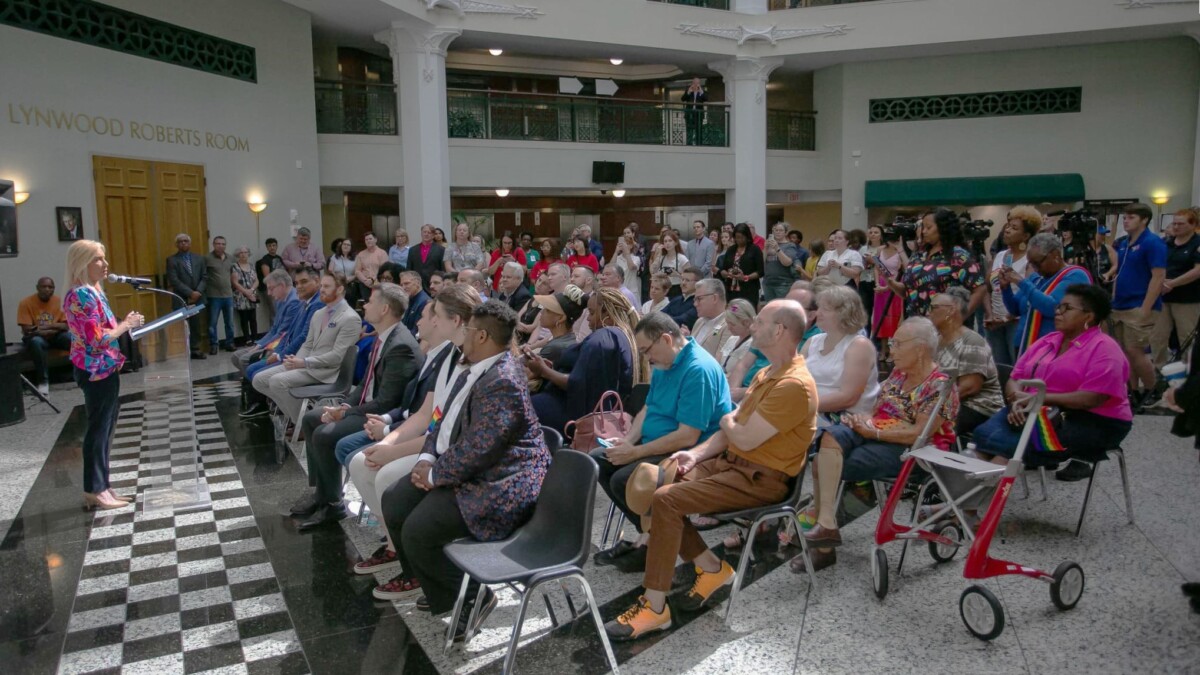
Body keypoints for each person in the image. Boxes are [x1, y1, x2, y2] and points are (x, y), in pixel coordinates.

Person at [604, 300, 816, 641]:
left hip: (761, 478)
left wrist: (729, 418)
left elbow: (742, 435)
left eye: (759, 322)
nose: (752, 326)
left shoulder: (793, 384)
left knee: (667, 499)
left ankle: (654, 607)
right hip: (731, 463)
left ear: (779, 331)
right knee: (655, 480)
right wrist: (695, 454)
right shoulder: (767, 374)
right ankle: (712, 568)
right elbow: (726, 432)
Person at [378, 302, 550, 636]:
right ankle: (436, 582)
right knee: (395, 500)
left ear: (483, 336)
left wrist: (434, 474)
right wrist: (427, 458)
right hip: (471, 469)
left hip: (503, 482)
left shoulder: (503, 380)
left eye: (468, 330)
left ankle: (473, 596)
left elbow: (481, 447)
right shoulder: (471, 367)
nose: (463, 336)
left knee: (419, 529)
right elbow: (442, 420)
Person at [803, 317, 958, 571]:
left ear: (919, 349)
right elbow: (877, 410)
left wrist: (872, 431)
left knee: (828, 461)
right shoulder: (898, 375)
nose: (891, 349)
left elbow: (918, 432)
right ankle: (827, 525)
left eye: (897, 344)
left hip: (912, 450)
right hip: (874, 431)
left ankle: (824, 539)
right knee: (830, 437)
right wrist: (862, 419)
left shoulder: (940, 386)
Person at [347, 287, 476, 585]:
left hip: (447, 451)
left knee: (385, 475)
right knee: (360, 462)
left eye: (432, 315)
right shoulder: (449, 357)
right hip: (434, 442)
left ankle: (415, 566)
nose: (419, 319)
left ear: (453, 321)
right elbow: (426, 414)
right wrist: (387, 442)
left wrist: (395, 451)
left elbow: (450, 430)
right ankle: (395, 546)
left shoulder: (466, 360)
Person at [591, 312, 732, 573]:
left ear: (666, 339)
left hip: (691, 452)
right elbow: (649, 408)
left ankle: (650, 543)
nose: (647, 358)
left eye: (646, 351)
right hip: (657, 443)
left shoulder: (698, 369)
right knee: (598, 460)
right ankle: (649, 536)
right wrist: (627, 442)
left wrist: (635, 452)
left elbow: (687, 435)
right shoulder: (664, 363)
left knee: (623, 478)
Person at [292, 283, 423, 530]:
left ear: (384, 309)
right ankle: (322, 493)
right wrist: (342, 405)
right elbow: (365, 384)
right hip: (367, 405)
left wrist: (344, 413)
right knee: (313, 418)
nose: (364, 306)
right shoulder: (384, 336)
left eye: (370, 302)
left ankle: (333, 505)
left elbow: (387, 401)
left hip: (383, 416)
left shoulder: (400, 345)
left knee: (324, 433)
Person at [973, 285, 1133, 483]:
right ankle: (960, 503)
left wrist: (1036, 399)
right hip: (1037, 409)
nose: (1057, 311)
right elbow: (1016, 377)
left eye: (1066, 308)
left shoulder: (1105, 349)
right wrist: (1017, 399)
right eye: (1058, 306)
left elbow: (1092, 398)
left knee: (1011, 446)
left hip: (1093, 420)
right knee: (984, 438)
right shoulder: (1048, 341)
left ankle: (965, 506)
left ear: (1088, 317)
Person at [63, 240, 145, 510]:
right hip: (94, 370)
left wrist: (124, 326)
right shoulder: (80, 295)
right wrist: (127, 324)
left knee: (107, 428)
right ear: (83, 263)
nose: (105, 264)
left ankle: (103, 485)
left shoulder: (95, 291)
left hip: (105, 368)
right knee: (99, 429)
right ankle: (94, 489)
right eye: (98, 259)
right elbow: (96, 340)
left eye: (104, 258)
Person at [529, 287, 643, 435]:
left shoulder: (603, 338)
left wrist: (544, 371)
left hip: (576, 415)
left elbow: (579, 383)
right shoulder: (622, 336)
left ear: (607, 314)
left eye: (592, 312)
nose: (588, 318)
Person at [252, 272, 360, 426]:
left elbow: (337, 356)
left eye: (327, 286)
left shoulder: (350, 318)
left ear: (340, 289)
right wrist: (294, 361)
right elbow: (308, 344)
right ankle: (301, 419)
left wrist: (304, 362)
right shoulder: (318, 313)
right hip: (307, 365)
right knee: (259, 380)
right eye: (321, 286)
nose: (322, 289)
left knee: (277, 381)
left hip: (327, 372)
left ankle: (303, 425)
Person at [240, 266, 323, 417]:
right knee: (254, 370)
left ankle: (297, 418)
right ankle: (288, 412)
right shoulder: (305, 301)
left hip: (301, 358)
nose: (299, 286)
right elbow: (288, 332)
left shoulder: (315, 303)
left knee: (257, 373)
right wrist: (277, 351)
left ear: (317, 281)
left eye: (304, 282)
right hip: (290, 353)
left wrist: (280, 355)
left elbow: (303, 337)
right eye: (297, 283)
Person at [1001, 233, 1092, 358]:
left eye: (1038, 263)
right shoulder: (1036, 279)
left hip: (1051, 349)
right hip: (1024, 346)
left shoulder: (1075, 275)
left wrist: (1022, 282)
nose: (1035, 268)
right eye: (1031, 264)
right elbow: (1015, 309)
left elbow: (1054, 307)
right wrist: (1005, 288)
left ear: (1055, 255)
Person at [800, 285, 880, 428]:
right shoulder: (813, 341)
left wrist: (801, 406)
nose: (819, 313)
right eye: (819, 307)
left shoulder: (859, 346)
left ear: (844, 313)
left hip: (842, 418)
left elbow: (848, 398)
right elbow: (795, 377)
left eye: (826, 309)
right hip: (809, 410)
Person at [931, 288, 1004, 437]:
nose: (928, 313)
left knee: (927, 423)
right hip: (949, 401)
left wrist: (930, 401)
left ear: (952, 310)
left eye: (934, 308)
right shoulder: (937, 340)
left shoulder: (971, 341)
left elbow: (970, 387)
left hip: (978, 406)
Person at [887, 208, 986, 318]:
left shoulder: (957, 256)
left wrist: (960, 317)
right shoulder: (919, 255)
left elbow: (980, 289)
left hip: (944, 326)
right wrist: (891, 283)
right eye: (923, 227)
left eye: (929, 227)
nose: (924, 231)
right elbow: (910, 291)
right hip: (917, 324)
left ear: (943, 229)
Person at [985, 207, 1040, 367]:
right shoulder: (1000, 255)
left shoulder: (1030, 259)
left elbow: (1029, 291)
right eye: (1008, 225)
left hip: (1016, 322)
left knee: (1016, 366)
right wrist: (989, 314)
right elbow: (985, 287)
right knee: (999, 367)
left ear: (1026, 236)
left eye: (1014, 228)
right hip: (995, 322)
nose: (1007, 230)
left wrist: (1006, 318)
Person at [1152, 207, 1200, 368]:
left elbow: (1197, 271)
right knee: (1157, 336)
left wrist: (1172, 283)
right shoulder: (1167, 243)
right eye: (1175, 223)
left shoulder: (1196, 243)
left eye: (1181, 224)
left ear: (1193, 225)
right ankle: (1158, 372)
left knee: (1186, 338)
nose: (1177, 227)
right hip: (1163, 297)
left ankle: (1189, 373)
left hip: (1187, 299)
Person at [231, 269, 296, 380]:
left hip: (281, 344)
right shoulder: (281, 300)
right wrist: (259, 344)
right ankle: (250, 385)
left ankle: (255, 390)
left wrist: (262, 346)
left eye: (271, 288)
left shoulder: (294, 302)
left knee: (244, 359)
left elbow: (282, 333)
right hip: (273, 341)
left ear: (282, 285)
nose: (269, 293)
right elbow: (274, 328)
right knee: (235, 356)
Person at [18, 276, 71, 395]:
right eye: (44, 286)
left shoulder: (60, 302)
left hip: (55, 335)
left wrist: (43, 328)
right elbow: (27, 329)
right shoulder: (26, 303)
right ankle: (43, 382)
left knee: (74, 339)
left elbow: (66, 326)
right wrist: (54, 326)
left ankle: (85, 373)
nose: (47, 289)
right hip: (37, 337)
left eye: (50, 287)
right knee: (36, 342)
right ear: (37, 288)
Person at [165, 232, 208, 360]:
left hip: (198, 297)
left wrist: (198, 292)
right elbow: (174, 280)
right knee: (182, 325)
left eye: (186, 241)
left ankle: (196, 349)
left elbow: (205, 277)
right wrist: (190, 293)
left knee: (196, 324)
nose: (183, 243)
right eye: (180, 241)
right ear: (176, 245)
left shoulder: (199, 258)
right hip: (181, 297)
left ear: (190, 243)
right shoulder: (172, 260)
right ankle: (183, 350)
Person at [871, 228, 906, 360]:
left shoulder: (900, 251)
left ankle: (893, 350)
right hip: (881, 283)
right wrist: (877, 284)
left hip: (894, 284)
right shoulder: (880, 250)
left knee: (892, 317)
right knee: (880, 317)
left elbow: (901, 271)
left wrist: (888, 287)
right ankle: (883, 349)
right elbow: (876, 267)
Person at [532, 284, 585, 367]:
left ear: (561, 318)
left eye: (548, 310)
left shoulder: (555, 347)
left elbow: (525, 373)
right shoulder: (567, 339)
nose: (541, 312)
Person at [204, 235, 236, 354]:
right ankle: (213, 345)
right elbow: (204, 275)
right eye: (218, 244)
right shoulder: (207, 258)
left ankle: (230, 343)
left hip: (228, 295)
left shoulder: (230, 258)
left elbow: (233, 275)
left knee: (230, 323)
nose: (220, 246)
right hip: (214, 296)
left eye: (223, 244)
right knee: (212, 323)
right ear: (213, 245)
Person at [718, 223, 764, 305]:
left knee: (746, 312)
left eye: (741, 237)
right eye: (736, 237)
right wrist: (725, 273)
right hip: (732, 290)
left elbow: (760, 271)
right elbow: (724, 268)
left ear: (747, 236)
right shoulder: (731, 250)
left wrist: (745, 277)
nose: (738, 240)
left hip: (749, 290)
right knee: (734, 311)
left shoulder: (755, 250)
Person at [690, 279, 731, 358]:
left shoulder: (729, 325)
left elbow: (720, 362)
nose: (695, 304)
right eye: (695, 300)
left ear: (714, 298)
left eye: (699, 299)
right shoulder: (699, 321)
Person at [763, 222, 803, 301]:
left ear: (785, 232)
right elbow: (762, 261)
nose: (778, 232)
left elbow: (787, 263)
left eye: (781, 230)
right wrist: (765, 248)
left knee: (782, 309)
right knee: (770, 308)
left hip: (783, 283)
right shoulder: (769, 244)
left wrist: (777, 248)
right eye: (776, 230)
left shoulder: (790, 245)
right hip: (768, 282)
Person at [231, 246, 259, 344]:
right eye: (241, 252)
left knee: (253, 318)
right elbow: (235, 282)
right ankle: (247, 339)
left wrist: (251, 290)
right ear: (238, 254)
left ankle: (255, 338)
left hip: (252, 295)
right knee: (244, 318)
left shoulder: (251, 265)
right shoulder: (235, 266)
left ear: (248, 254)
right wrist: (245, 292)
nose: (243, 254)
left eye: (245, 252)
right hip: (240, 295)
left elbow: (256, 280)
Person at [649, 230, 688, 297]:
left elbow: (690, 277)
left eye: (670, 241)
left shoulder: (682, 258)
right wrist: (658, 254)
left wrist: (677, 274)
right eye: (665, 241)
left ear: (675, 243)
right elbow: (652, 271)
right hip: (662, 289)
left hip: (676, 289)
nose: (667, 243)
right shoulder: (661, 258)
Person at [353, 232, 389, 304]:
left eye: (370, 239)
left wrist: (373, 280)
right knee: (367, 305)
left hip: (378, 284)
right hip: (365, 285)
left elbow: (384, 270)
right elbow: (357, 271)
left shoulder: (382, 253)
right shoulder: (361, 254)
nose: (368, 241)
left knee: (378, 304)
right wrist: (365, 280)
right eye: (366, 239)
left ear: (375, 240)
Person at [256, 238, 285, 324]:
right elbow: (267, 276)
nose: (272, 247)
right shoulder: (265, 259)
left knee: (281, 311)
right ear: (267, 247)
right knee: (274, 311)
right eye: (270, 246)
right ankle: (274, 333)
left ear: (276, 246)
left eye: (274, 245)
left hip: (281, 288)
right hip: (271, 289)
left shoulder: (279, 258)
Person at [409, 224, 447, 289]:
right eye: (424, 232)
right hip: (417, 285)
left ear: (433, 235)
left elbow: (442, 269)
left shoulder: (441, 250)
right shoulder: (412, 250)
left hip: (433, 285)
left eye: (429, 232)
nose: (426, 234)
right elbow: (409, 269)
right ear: (421, 233)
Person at [614, 227, 643, 304]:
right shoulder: (618, 258)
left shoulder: (636, 258)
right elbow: (611, 267)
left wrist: (627, 253)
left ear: (631, 246)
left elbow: (631, 267)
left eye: (627, 244)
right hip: (619, 291)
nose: (624, 246)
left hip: (632, 291)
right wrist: (616, 252)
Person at [399, 270, 430, 334]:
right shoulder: (408, 300)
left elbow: (417, 331)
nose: (403, 287)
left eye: (407, 283)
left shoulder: (425, 303)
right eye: (401, 285)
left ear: (418, 283)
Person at [681, 77, 707, 146]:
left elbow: (706, 99)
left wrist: (701, 90)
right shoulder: (688, 91)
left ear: (699, 84)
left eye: (697, 83)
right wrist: (688, 92)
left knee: (699, 130)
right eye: (694, 83)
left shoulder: (702, 91)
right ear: (692, 83)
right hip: (689, 114)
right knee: (689, 130)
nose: (695, 84)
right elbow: (683, 99)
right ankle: (689, 144)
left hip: (698, 114)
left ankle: (699, 144)